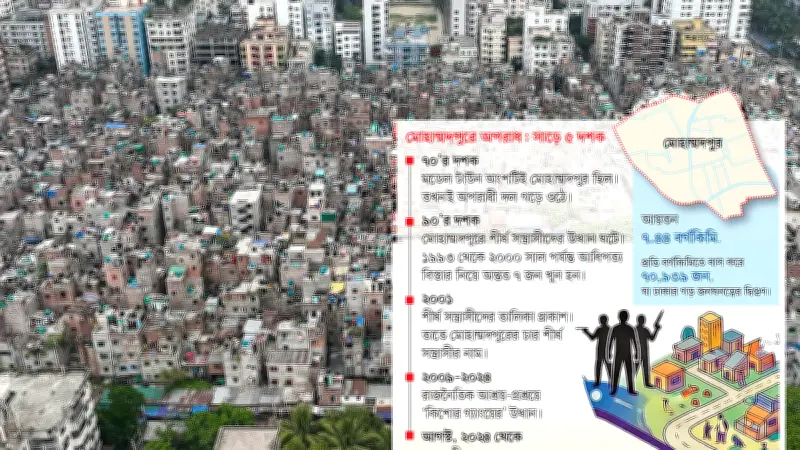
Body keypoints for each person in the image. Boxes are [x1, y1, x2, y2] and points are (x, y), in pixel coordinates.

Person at [607, 310, 640, 396]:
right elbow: (635, 342)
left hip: (623, 354)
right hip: (624, 354)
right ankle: (625, 390)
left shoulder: (616, 328)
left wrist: (609, 352)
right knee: (621, 372)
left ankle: (616, 390)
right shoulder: (629, 328)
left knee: (622, 372)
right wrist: (636, 352)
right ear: (627, 317)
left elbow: (610, 342)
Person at [582, 315, 612, 387]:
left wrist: (586, 331)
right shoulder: (610, 329)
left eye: (600, 320)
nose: (600, 321)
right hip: (605, 350)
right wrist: (610, 351)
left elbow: (592, 338)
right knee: (606, 367)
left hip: (601, 350)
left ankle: (598, 382)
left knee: (600, 367)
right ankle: (610, 382)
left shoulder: (600, 329)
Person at [634, 314, 660, 387]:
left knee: (645, 368)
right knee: (636, 368)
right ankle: (632, 384)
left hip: (644, 352)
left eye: (643, 320)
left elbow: (652, 338)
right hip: (638, 352)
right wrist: (656, 329)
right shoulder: (635, 330)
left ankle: (646, 383)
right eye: (642, 320)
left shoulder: (643, 330)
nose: (643, 321)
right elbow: (652, 338)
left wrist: (656, 329)